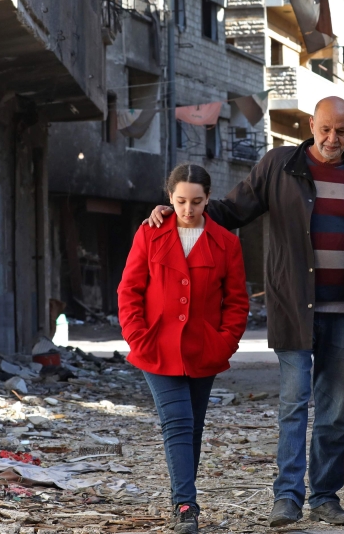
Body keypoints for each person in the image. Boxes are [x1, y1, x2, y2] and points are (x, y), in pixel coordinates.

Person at [147, 97, 344, 527]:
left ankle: (325, 496)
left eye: (341, 131)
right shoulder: (279, 165)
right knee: (293, 405)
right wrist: (181, 212)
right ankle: (287, 498)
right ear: (311, 125)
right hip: (294, 308)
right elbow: (229, 211)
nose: (331, 139)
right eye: (324, 129)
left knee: (336, 410)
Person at [118, 164, 249, 534]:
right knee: (176, 423)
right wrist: (138, 337)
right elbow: (129, 291)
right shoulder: (150, 233)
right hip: (156, 350)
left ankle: (183, 498)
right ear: (169, 198)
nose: (188, 210)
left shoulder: (227, 242)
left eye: (196, 201)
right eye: (179, 201)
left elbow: (237, 302)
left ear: (208, 199)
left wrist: (225, 342)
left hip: (204, 351)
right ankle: (186, 506)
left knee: (193, 427)